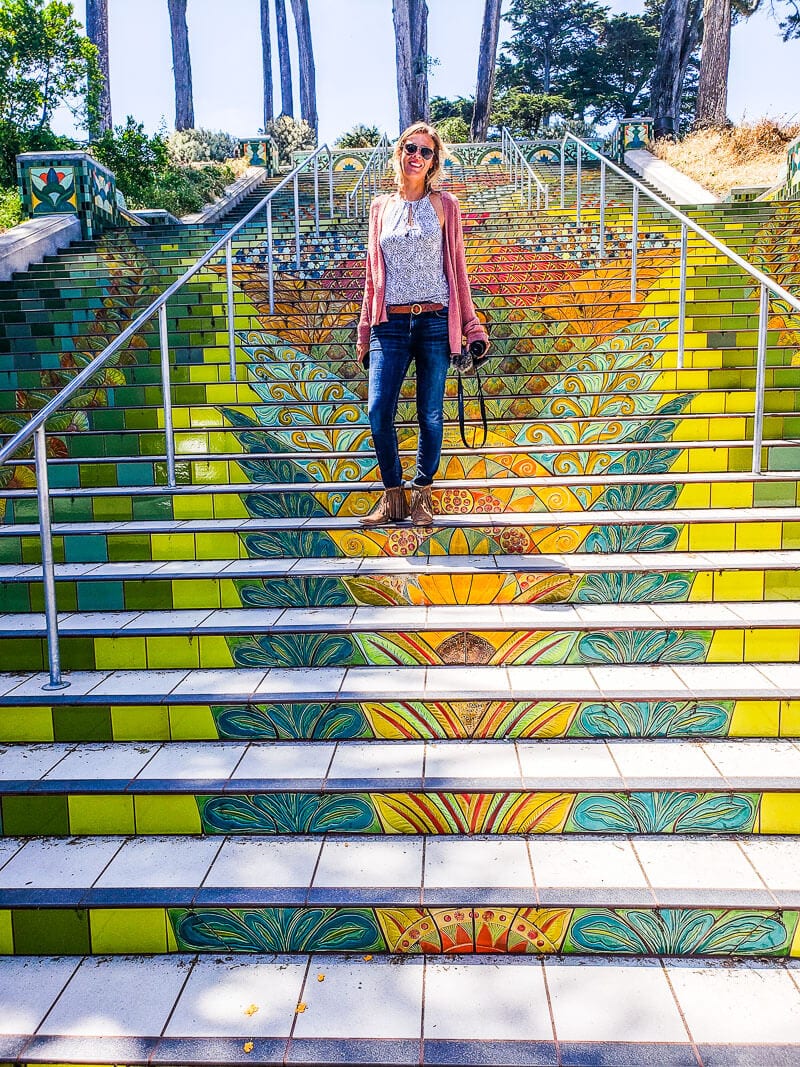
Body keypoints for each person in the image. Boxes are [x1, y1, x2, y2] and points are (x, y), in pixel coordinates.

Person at [356, 121, 489, 527]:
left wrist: (472, 327)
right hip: (389, 325)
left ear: (433, 162)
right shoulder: (380, 208)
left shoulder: (445, 205)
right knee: (379, 411)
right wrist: (364, 332)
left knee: (430, 414)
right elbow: (370, 275)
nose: (417, 156)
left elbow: (459, 271)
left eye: (426, 152)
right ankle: (392, 497)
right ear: (399, 153)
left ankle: (422, 497)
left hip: (434, 321)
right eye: (410, 148)